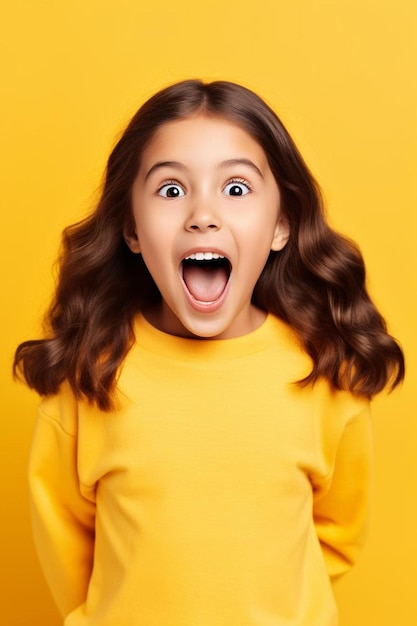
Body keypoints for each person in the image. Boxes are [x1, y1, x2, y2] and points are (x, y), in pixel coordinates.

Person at [14, 79, 404, 626]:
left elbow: (336, 536)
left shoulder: (325, 374)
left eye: (236, 189)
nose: (203, 214)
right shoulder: (89, 375)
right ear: (131, 228)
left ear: (281, 224)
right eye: (171, 190)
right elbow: (65, 545)